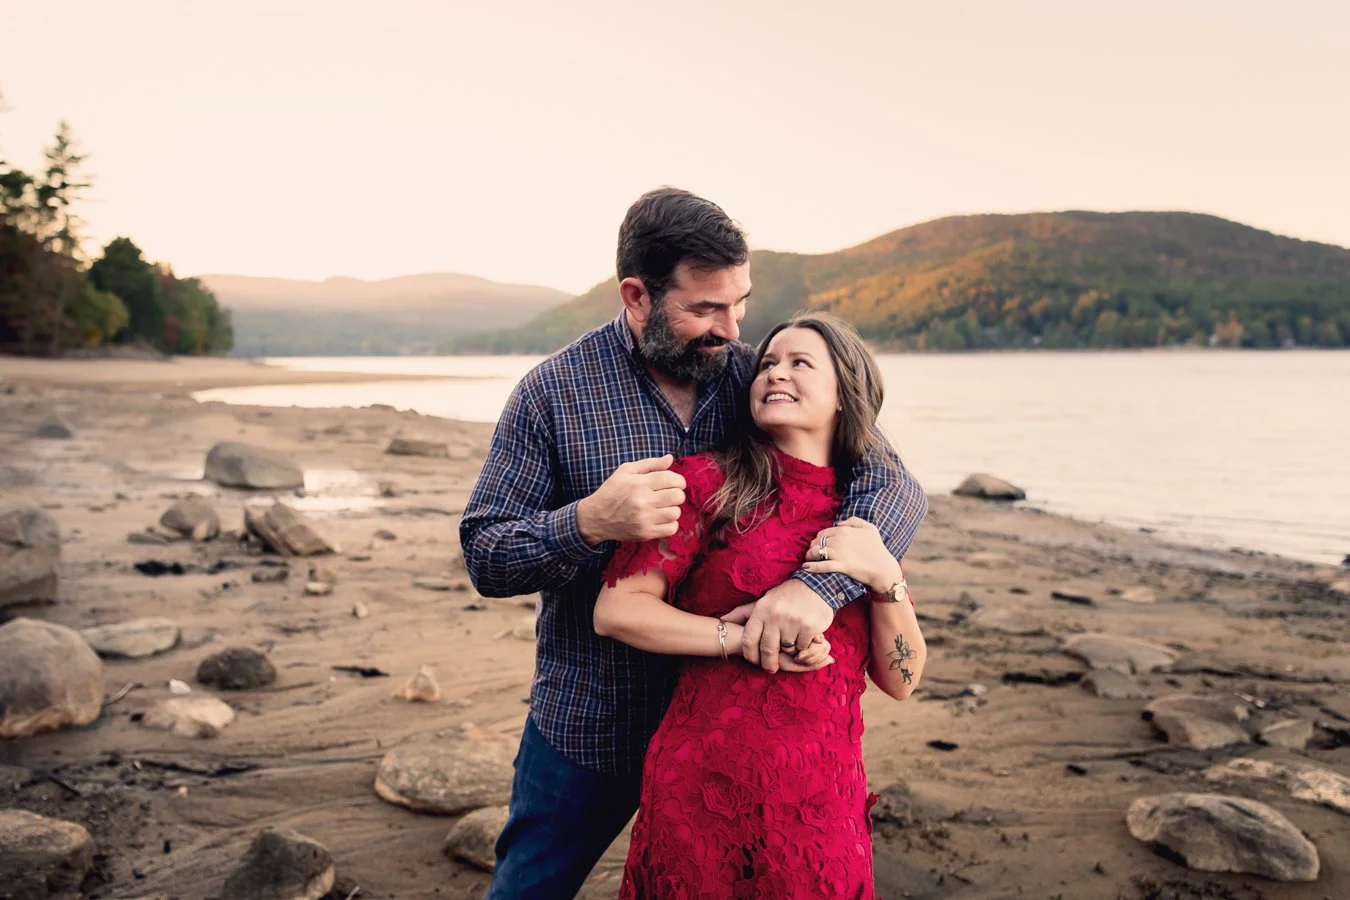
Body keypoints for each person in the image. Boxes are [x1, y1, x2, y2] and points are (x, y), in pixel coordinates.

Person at [460, 188, 928, 899]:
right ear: (637, 296)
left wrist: (819, 589)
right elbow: (487, 553)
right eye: (706, 309)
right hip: (596, 720)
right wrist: (590, 521)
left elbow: (890, 483)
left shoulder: (757, 373)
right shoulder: (552, 393)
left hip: (741, 736)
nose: (730, 328)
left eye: (738, 304)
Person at [594, 313, 926, 898]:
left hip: (822, 794)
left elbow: (901, 679)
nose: (776, 373)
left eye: (801, 363)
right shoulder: (707, 484)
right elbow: (618, 610)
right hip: (703, 783)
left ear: (846, 394)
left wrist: (883, 578)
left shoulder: (867, 519)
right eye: (768, 363)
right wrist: (738, 638)